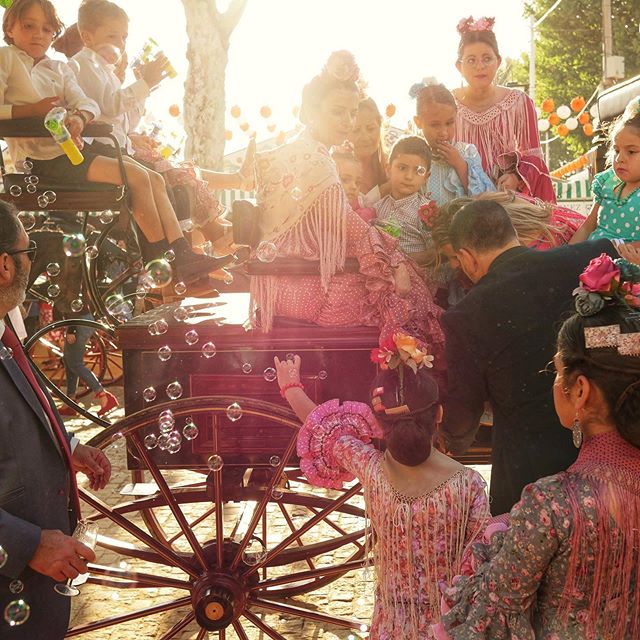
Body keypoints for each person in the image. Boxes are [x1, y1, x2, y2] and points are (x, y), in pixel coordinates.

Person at [438, 255, 640, 639]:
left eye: (557, 371)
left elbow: (488, 622)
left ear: (579, 391)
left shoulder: (552, 505)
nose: (553, 383)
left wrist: (491, 538)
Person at [0, 0, 235, 283]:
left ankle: (180, 253)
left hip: (73, 153)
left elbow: (87, 103)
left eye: (47, 28)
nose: (38, 34)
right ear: (10, 29)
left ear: (54, 34)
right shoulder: (7, 59)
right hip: (40, 162)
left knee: (153, 178)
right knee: (135, 175)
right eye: (29, 26)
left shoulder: (59, 68)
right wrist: (31, 112)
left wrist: (81, 118)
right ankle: (162, 260)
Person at [275, 338, 490, 638]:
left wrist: (291, 387)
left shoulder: (371, 469)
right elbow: (481, 567)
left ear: (378, 423)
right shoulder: (468, 485)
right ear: (438, 415)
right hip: (448, 628)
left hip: (390, 629)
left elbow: (325, 430)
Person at [251, 51, 444, 354]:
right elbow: (353, 230)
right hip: (302, 286)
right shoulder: (315, 161)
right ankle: (406, 381)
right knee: (409, 293)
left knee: (402, 274)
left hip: (281, 281)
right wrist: (395, 261)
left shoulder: (299, 151)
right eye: (338, 112)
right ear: (312, 111)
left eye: (352, 112)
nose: (348, 122)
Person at [440, 199, 620, 515]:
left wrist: (447, 437)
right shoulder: (593, 257)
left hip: (531, 485)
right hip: (615, 467)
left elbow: (460, 423)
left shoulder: (467, 315)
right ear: (512, 234)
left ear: (466, 258)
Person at [0, 201, 112, 639]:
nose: (33, 265)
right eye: (29, 254)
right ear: (5, 264)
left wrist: (67, 445)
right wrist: (29, 544)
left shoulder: (6, 334)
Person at [69, 0, 255, 253]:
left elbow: (126, 120)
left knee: (175, 178)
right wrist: (143, 84)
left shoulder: (105, 71)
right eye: (112, 35)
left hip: (118, 151)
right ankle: (194, 247)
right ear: (87, 36)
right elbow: (110, 107)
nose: (120, 44)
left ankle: (192, 251)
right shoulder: (83, 65)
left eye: (124, 37)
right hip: (104, 153)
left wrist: (145, 86)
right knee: (174, 175)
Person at [453, 16, 556, 203]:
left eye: (487, 59)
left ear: (498, 62)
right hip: (458, 199)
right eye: (471, 60)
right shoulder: (448, 104)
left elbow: (534, 157)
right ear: (459, 67)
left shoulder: (519, 102)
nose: (479, 67)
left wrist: (516, 178)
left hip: (507, 201)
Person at [410, 79, 494, 206]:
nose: (444, 132)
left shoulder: (467, 153)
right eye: (434, 125)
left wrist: (459, 164)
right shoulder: (414, 157)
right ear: (418, 122)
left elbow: (486, 200)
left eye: (449, 123)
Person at [571, 96, 640, 244]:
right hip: (589, 258)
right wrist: (565, 255)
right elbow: (587, 227)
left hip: (620, 262)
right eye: (616, 150)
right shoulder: (607, 182)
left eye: (632, 151)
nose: (620, 158)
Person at [373, 136, 436, 271]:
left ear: (426, 177)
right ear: (388, 169)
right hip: (383, 277)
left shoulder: (427, 211)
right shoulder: (378, 207)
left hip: (418, 281)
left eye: (418, 171)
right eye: (402, 168)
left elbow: (435, 254)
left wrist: (399, 259)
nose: (408, 176)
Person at [58, 311, 119, 418]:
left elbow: (73, 304)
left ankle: (103, 395)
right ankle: (70, 401)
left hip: (78, 322)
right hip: (79, 321)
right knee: (69, 361)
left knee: (75, 363)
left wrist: (72, 329)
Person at [347, 96, 389, 203]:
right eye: (356, 130)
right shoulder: (336, 168)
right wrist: (386, 189)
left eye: (370, 129)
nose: (365, 137)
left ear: (380, 127)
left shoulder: (393, 167)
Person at [332, 143, 375, 222]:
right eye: (345, 180)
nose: (354, 186)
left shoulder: (361, 207)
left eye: (357, 182)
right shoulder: (320, 206)